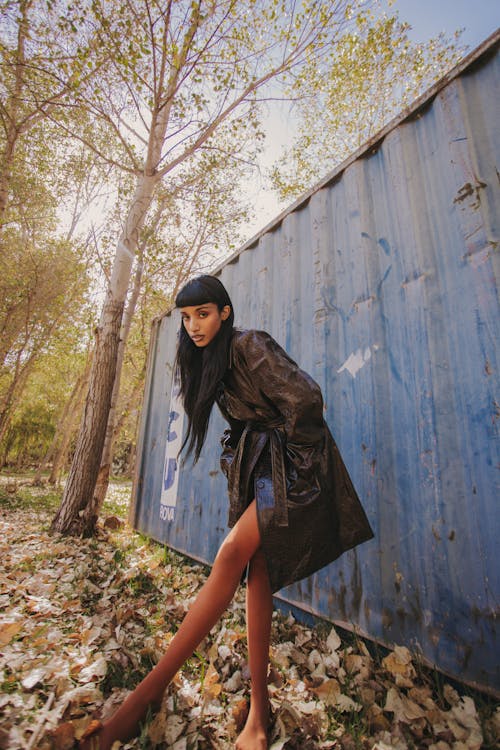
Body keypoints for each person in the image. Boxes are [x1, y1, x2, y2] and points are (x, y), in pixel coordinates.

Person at [79, 274, 374, 750]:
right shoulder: (209, 362)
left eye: (204, 314)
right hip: (261, 469)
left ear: (224, 313)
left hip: (297, 465)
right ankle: (259, 714)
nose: (194, 326)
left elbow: (306, 401)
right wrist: (243, 451)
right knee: (257, 570)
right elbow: (242, 422)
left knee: (232, 551)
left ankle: (143, 700)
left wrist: (286, 467)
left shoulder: (248, 345)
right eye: (188, 317)